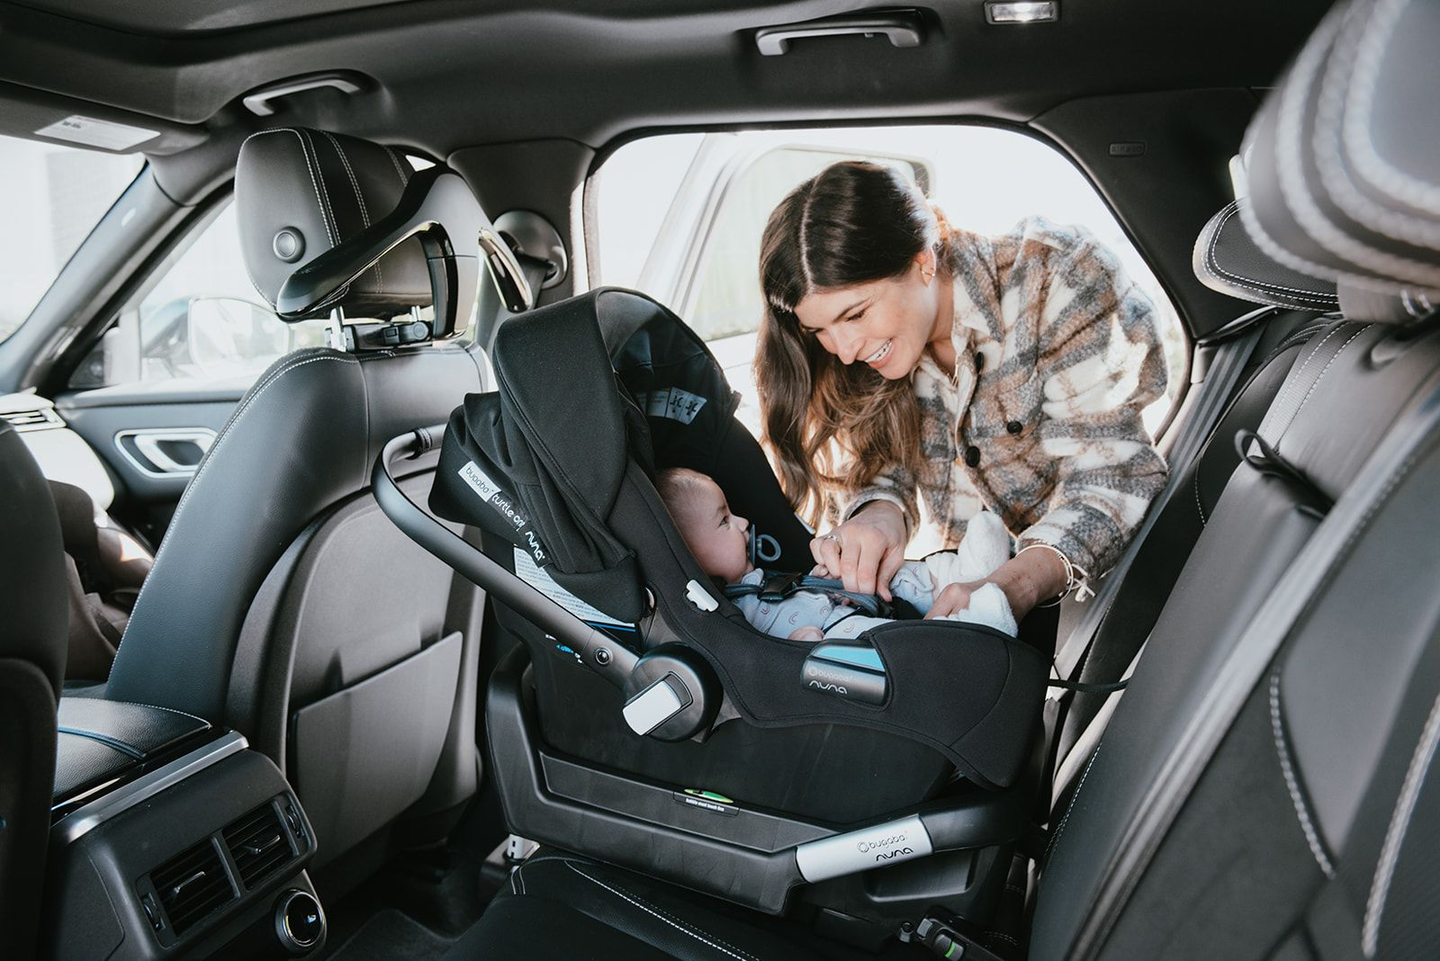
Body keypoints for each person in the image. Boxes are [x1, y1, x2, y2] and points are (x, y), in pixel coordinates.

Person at [755, 161, 1169, 627]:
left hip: (1109, 601)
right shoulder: (863, 353)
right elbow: (879, 462)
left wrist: (1012, 587)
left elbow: (1112, 472)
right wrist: (879, 513)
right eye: (820, 330)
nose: (845, 351)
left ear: (923, 262)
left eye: (855, 315)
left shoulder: (1059, 279)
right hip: (975, 608)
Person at [657, 467, 1016, 641]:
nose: (742, 521)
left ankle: (964, 572)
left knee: (889, 573)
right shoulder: (730, 618)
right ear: (690, 556)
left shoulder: (757, 580)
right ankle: (972, 627)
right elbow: (760, 658)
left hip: (840, 603)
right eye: (724, 521)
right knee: (880, 641)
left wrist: (821, 583)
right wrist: (796, 647)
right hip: (837, 636)